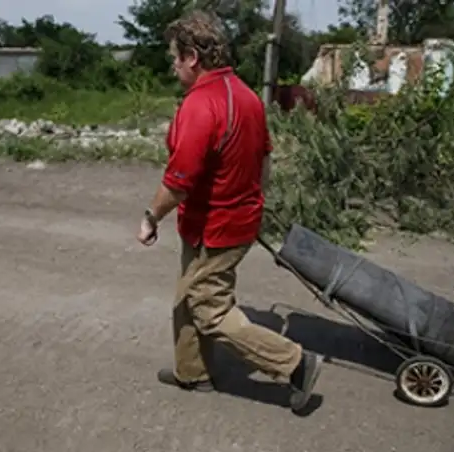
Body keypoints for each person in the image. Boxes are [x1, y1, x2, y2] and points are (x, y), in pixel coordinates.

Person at [135, 10, 322, 411]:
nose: (172, 65)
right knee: (188, 295)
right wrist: (253, 201)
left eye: (175, 57)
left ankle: (294, 363)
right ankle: (192, 372)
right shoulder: (247, 95)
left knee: (210, 309)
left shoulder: (201, 105)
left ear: (192, 57)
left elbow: (178, 181)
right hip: (226, 220)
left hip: (216, 227)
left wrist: (151, 217)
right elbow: (264, 159)